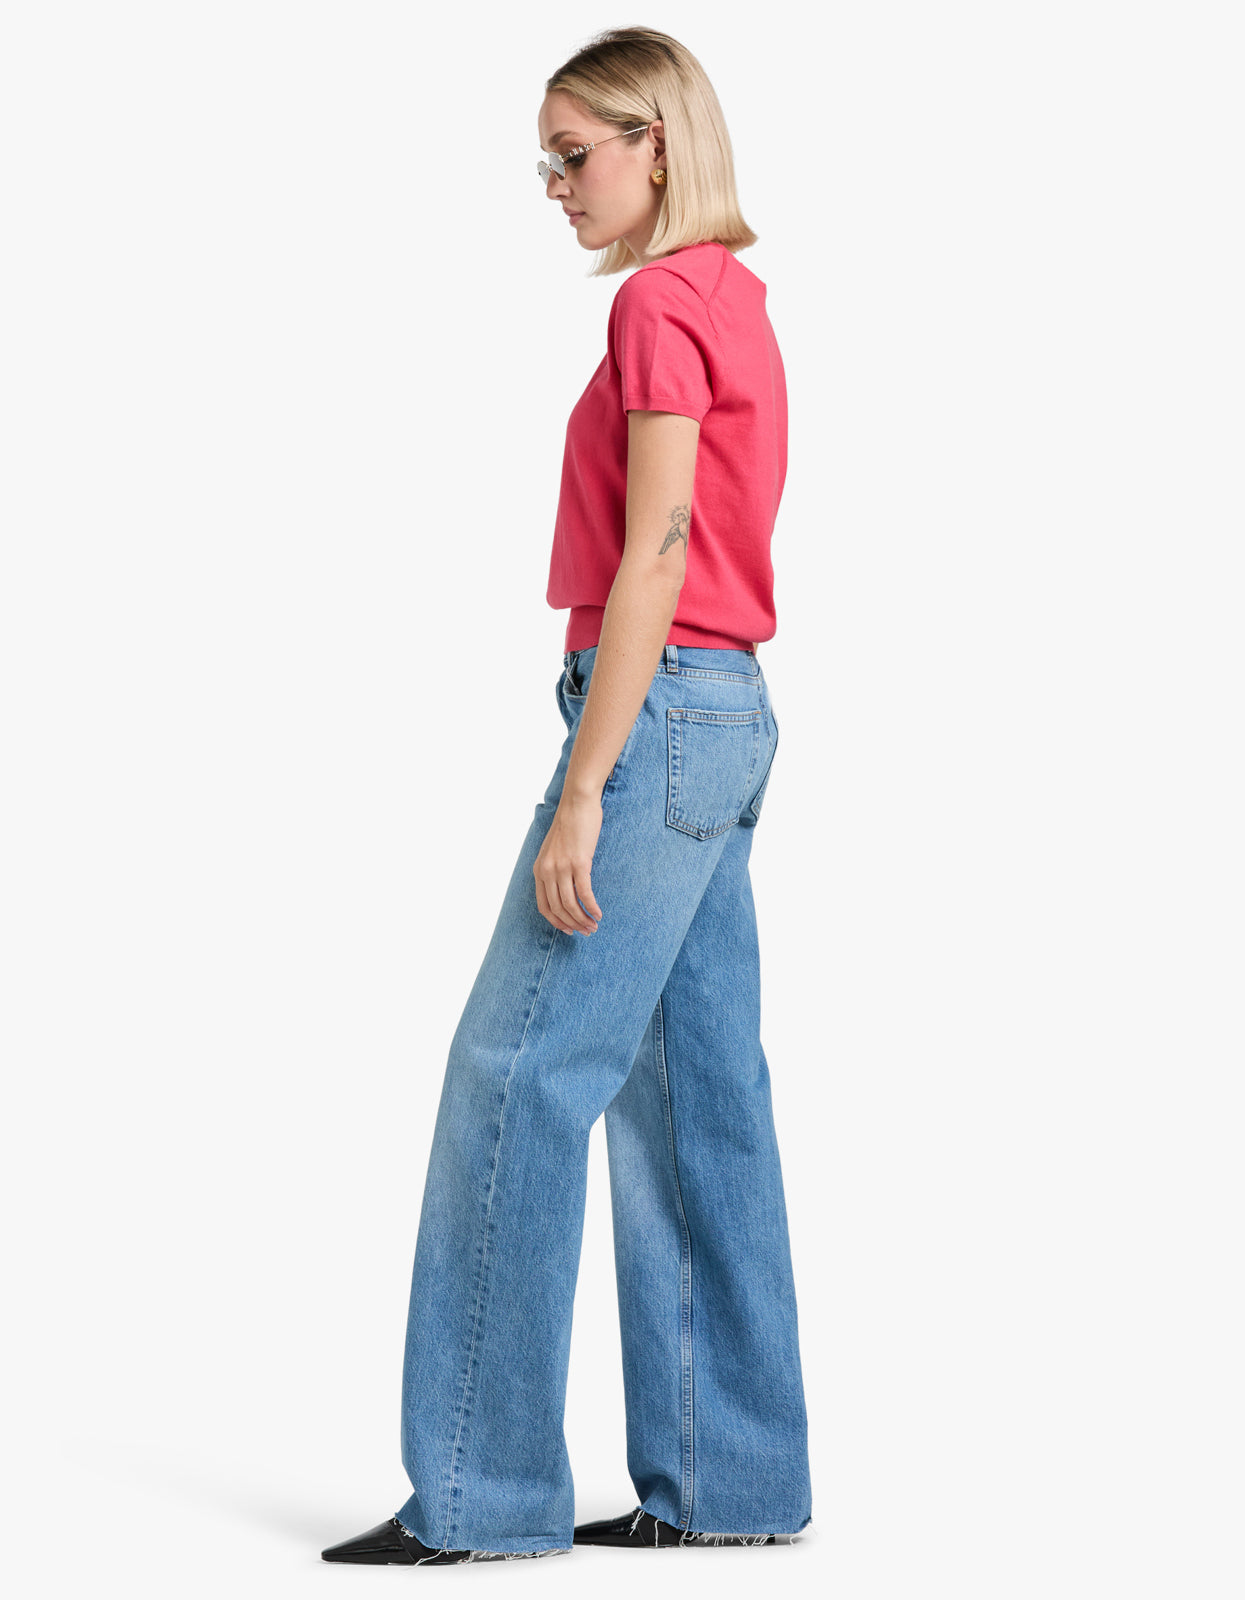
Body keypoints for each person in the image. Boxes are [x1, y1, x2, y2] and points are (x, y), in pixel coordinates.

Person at [321, 26, 813, 1566]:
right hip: (723, 712)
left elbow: (657, 548)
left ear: (655, 141)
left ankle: (481, 1500)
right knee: (693, 1099)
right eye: (544, 160)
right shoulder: (731, 296)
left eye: (573, 154)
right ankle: (729, 1483)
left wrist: (585, 786)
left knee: (515, 1077)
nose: (553, 185)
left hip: (654, 716)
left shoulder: (660, 302)